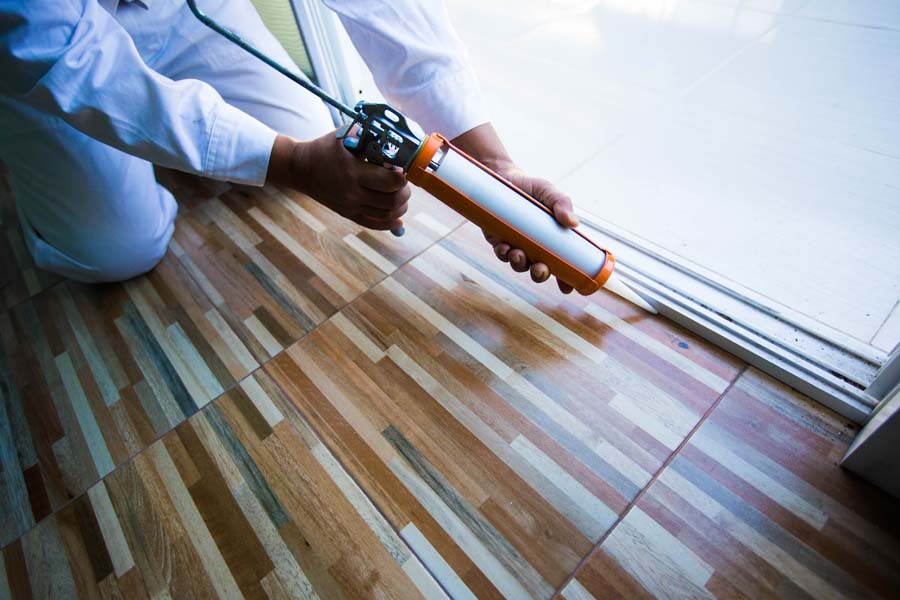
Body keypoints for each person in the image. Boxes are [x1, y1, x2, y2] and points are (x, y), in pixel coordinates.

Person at [0, 0, 578, 292]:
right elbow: (63, 54)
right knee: (120, 252)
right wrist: (298, 165)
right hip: (51, 43)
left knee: (296, 128)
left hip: (178, 9)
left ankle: (169, 139)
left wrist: (492, 163)